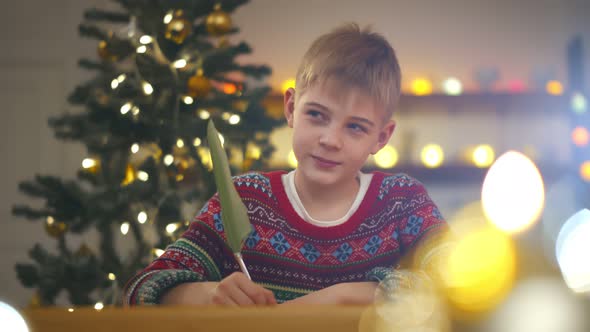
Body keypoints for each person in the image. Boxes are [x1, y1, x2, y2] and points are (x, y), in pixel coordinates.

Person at [124, 23, 451, 306]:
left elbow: (460, 278)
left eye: (355, 127)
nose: (330, 139)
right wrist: (209, 294)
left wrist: (347, 296)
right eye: (317, 115)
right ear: (292, 108)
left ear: (381, 138)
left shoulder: (402, 202)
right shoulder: (247, 199)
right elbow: (139, 290)